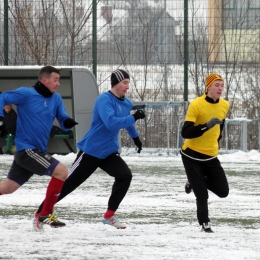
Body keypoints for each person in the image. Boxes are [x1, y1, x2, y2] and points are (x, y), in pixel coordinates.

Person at [33, 69, 145, 231]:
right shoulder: (104, 100)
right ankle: (39, 214)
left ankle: (109, 216)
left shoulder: (126, 103)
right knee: (67, 184)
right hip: (91, 151)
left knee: (125, 175)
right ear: (115, 83)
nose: (127, 86)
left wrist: (136, 138)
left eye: (128, 83)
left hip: (109, 152)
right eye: (125, 82)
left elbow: (127, 123)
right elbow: (111, 123)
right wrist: (134, 116)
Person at [0, 66, 78, 229]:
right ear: (44, 80)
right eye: (55, 80)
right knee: (62, 172)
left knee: (7, 188)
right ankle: (44, 214)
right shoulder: (26, 94)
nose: (58, 84)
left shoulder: (56, 99)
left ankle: (42, 214)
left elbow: (62, 118)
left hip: (36, 151)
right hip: (27, 149)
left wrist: (67, 122)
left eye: (59, 80)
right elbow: (3, 97)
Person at [180, 73, 229, 233]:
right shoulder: (197, 104)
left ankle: (194, 182)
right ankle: (205, 224)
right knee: (202, 195)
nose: (220, 88)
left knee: (223, 191)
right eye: (216, 85)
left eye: (222, 85)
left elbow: (220, 128)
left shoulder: (225, 105)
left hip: (211, 156)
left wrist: (216, 141)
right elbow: (186, 132)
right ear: (208, 87)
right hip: (191, 155)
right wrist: (205, 126)